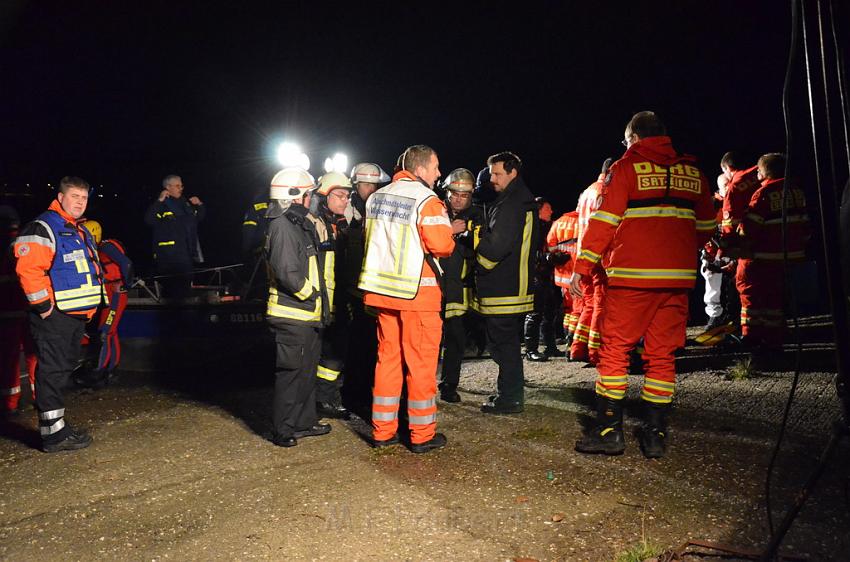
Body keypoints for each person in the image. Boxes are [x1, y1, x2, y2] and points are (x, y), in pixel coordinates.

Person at [570, 111, 715, 459]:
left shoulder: (626, 169)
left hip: (631, 279)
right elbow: (707, 226)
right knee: (662, 356)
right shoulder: (694, 173)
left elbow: (603, 224)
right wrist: (675, 250)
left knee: (615, 350)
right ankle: (655, 436)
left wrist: (582, 268)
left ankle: (609, 431)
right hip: (677, 281)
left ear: (633, 138)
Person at [358, 144, 458, 453]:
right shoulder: (427, 200)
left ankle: (383, 431)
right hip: (418, 292)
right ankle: (421, 435)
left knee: (387, 361)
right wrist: (451, 233)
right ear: (420, 169)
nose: (439, 173)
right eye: (436, 166)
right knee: (421, 365)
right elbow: (442, 246)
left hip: (382, 292)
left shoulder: (376, 198)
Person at [14, 176, 107, 452]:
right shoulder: (45, 226)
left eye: (84, 197)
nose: (80, 202)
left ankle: (57, 426)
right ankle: (53, 436)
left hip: (75, 316)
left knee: (62, 369)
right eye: (75, 196)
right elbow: (29, 269)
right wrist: (44, 307)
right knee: (52, 371)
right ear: (61, 197)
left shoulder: (79, 230)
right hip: (55, 317)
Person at [265, 167, 333, 447]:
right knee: (291, 376)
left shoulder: (298, 225)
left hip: (307, 315)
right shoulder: (281, 226)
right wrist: (312, 294)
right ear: (294, 197)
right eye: (308, 194)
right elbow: (286, 271)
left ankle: (303, 423)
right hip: (292, 316)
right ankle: (283, 430)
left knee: (306, 372)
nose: (311, 200)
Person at [472, 151, 539, 414]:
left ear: (513, 172)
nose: (492, 179)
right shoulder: (518, 198)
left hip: (504, 287)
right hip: (512, 285)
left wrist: (479, 265)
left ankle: (510, 397)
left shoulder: (511, 203)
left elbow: (496, 247)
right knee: (506, 343)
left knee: (503, 345)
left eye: (498, 173)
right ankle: (510, 393)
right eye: (491, 174)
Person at [735, 153, 810, 359]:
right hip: (789, 256)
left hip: (764, 256)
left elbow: (749, 228)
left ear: (764, 172)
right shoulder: (796, 191)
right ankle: (774, 341)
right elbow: (804, 224)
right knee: (775, 302)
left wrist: (738, 237)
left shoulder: (764, 193)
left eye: (758, 171)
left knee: (751, 295)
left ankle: (752, 337)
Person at [337, 163, 390, 409]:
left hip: (374, 288)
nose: (368, 188)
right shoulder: (348, 209)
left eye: (372, 184)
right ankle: (352, 395)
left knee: (372, 344)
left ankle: (366, 392)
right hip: (353, 290)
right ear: (355, 185)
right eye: (363, 184)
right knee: (355, 344)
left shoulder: (383, 206)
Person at [437, 168, 485, 403]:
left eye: (464, 195)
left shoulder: (477, 216)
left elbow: (484, 246)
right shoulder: (435, 211)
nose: (458, 198)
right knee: (429, 340)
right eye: (454, 193)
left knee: (455, 339)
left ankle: (449, 385)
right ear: (447, 192)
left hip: (459, 288)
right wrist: (449, 230)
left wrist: (469, 231)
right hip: (433, 285)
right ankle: (421, 384)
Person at [310, 171, 354, 419]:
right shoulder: (316, 224)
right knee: (329, 350)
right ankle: (323, 399)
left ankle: (326, 397)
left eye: (347, 196)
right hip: (323, 300)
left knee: (336, 349)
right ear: (324, 195)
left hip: (338, 298)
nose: (345, 200)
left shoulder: (338, 224)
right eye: (339, 195)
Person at [75, 219, 134, 388]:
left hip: (116, 295)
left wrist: (126, 285)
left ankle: (97, 372)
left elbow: (127, 263)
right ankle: (111, 370)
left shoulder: (105, 247)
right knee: (111, 332)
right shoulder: (96, 250)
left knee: (105, 332)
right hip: (109, 295)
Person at [570, 158, 613, 365]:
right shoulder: (605, 192)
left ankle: (577, 348)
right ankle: (596, 353)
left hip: (583, 256)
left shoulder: (587, 191)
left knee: (588, 305)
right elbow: (604, 227)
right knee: (600, 305)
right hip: (599, 256)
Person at [0, 205, 37, 417]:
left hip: (7, 312)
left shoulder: (6, 244)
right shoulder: (24, 243)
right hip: (29, 308)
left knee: (9, 360)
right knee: (34, 356)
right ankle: (39, 397)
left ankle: (10, 403)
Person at [143, 175, 205, 298]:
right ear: (168, 187)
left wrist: (200, 205)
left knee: (186, 286)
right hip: (168, 256)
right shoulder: (162, 204)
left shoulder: (185, 204)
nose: (181, 188)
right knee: (170, 289)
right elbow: (149, 220)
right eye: (177, 186)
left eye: (181, 185)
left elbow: (198, 218)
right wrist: (159, 201)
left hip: (185, 253)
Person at [524, 197, 564, 361]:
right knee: (534, 313)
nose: (552, 211)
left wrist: (558, 257)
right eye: (548, 208)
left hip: (547, 275)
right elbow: (528, 252)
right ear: (539, 210)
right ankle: (530, 350)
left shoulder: (549, 226)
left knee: (550, 312)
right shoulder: (531, 227)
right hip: (535, 275)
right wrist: (547, 257)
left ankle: (550, 346)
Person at [546, 208, 579, 348]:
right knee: (579, 310)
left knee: (568, 310)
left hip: (562, 276)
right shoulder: (582, 222)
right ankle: (575, 343)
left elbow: (551, 248)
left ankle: (568, 339)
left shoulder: (558, 222)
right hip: (578, 275)